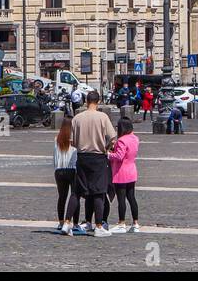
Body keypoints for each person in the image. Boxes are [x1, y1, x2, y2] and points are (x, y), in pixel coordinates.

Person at [67, 91, 117, 236]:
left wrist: (80, 145)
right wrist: (106, 148)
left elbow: (72, 141)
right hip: (98, 157)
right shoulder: (102, 117)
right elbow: (113, 138)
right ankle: (99, 226)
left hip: (82, 157)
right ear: (99, 101)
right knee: (98, 192)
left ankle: (66, 223)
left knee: (77, 191)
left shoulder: (77, 118)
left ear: (86, 101)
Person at [108, 116, 141, 233]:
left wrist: (108, 154)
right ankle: (135, 223)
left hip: (121, 173)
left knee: (121, 199)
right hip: (132, 171)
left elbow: (119, 156)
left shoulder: (122, 140)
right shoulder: (135, 138)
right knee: (131, 198)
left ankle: (122, 223)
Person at [54, 118, 80, 234]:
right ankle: (75, 223)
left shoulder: (57, 139)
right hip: (72, 170)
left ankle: (60, 222)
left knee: (62, 197)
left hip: (59, 170)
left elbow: (55, 156)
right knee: (75, 196)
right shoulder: (74, 139)